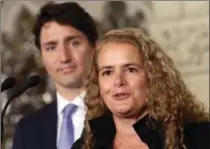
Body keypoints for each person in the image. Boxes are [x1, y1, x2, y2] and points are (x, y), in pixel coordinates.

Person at [71, 28, 209, 149]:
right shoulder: (84, 146)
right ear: (98, 83)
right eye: (107, 72)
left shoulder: (199, 137)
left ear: (153, 76)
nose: (118, 81)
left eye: (131, 70)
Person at [12, 2, 98, 149]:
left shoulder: (120, 116)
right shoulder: (27, 129)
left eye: (74, 43)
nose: (64, 57)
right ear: (42, 58)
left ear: (95, 48)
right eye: (51, 47)